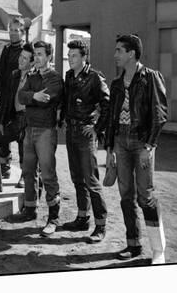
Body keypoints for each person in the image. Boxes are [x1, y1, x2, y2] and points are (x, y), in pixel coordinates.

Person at [105, 34, 168, 263]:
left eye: (119, 50)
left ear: (131, 53)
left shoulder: (151, 78)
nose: (115, 55)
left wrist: (149, 145)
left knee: (146, 197)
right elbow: (112, 118)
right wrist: (110, 147)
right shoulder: (116, 83)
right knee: (125, 196)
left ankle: (158, 250)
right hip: (121, 142)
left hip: (142, 142)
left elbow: (160, 115)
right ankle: (133, 245)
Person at [61, 40, 110, 243]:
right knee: (77, 177)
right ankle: (82, 217)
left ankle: (101, 225)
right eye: (69, 55)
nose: (70, 59)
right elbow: (66, 100)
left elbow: (107, 105)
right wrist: (63, 118)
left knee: (91, 179)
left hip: (85, 132)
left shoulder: (95, 77)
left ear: (84, 57)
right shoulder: (69, 76)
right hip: (71, 131)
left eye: (74, 55)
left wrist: (97, 128)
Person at [16, 41, 64, 237]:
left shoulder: (54, 78)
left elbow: (48, 100)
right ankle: (30, 208)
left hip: (45, 131)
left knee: (48, 174)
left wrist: (32, 98)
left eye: (40, 54)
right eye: (35, 54)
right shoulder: (32, 76)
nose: (36, 58)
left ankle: (53, 217)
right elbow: (21, 96)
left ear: (49, 57)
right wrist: (34, 95)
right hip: (29, 129)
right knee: (28, 171)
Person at [0, 43, 33, 192]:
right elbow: (8, 100)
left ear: (32, 63)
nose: (20, 60)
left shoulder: (36, 78)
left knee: (26, 151)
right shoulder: (14, 75)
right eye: (20, 56)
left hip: (29, 121)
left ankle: (26, 179)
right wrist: (2, 120)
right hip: (16, 119)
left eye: (25, 58)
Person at [0, 18, 26, 180]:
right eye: (10, 30)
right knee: (3, 132)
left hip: (19, 98)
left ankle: (25, 173)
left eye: (16, 30)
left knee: (21, 136)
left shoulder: (27, 50)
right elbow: (0, 74)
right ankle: (4, 165)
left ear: (23, 32)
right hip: (5, 97)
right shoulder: (5, 49)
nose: (12, 33)